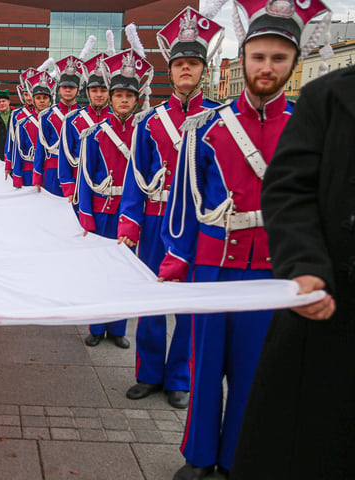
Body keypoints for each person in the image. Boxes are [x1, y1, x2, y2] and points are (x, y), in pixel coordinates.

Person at [158, 0, 331, 476]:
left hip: (275, 269)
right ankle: (199, 457)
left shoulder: (307, 128)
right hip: (213, 266)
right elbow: (186, 202)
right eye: (259, 57)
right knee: (206, 367)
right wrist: (176, 258)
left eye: (279, 58)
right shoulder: (206, 127)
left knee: (257, 375)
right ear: (244, 59)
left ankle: (239, 456)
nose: (267, 67)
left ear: (294, 63)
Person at [231, 66, 352, 480]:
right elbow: (289, 190)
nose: (268, 67)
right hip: (329, 296)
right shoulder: (330, 97)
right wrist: (304, 264)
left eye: (279, 56)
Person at [118, 8, 224, 410]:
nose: (185, 70)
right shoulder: (150, 121)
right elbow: (136, 177)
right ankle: (148, 372)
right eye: (179, 63)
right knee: (150, 299)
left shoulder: (216, 119)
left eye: (192, 64)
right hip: (155, 220)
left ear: (203, 69)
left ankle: (180, 375)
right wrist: (129, 222)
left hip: (197, 226)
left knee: (188, 306)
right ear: (171, 69)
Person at [78, 49, 153, 349]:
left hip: (130, 211)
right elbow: (85, 175)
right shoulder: (95, 133)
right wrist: (86, 213)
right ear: (110, 97)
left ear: (137, 99)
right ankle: (97, 325)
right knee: (101, 270)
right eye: (118, 94)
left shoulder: (145, 131)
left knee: (124, 271)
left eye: (129, 96)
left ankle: (118, 327)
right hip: (102, 208)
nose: (123, 100)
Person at [58, 52, 112, 206]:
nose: (99, 95)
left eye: (103, 90)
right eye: (94, 90)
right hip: (78, 185)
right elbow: (64, 155)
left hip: (110, 188)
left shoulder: (118, 119)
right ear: (87, 92)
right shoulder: (72, 120)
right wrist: (69, 187)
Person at [33, 56, 82, 195]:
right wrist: (37, 175)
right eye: (64, 87)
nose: (68, 90)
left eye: (71, 87)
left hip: (77, 170)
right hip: (52, 170)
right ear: (59, 90)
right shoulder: (47, 115)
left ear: (77, 91)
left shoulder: (83, 116)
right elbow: (40, 148)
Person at [12, 71, 54, 188]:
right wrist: (17, 177)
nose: (41, 101)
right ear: (34, 100)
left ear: (50, 99)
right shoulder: (23, 123)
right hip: (28, 171)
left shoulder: (57, 120)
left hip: (51, 172)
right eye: (38, 98)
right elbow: (18, 151)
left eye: (45, 98)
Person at [5, 72, 37, 175]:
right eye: (25, 94)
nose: (28, 98)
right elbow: (10, 141)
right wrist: (8, 164)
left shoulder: (46, 114)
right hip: (22, 161)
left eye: (30, 94)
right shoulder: (16, 114)